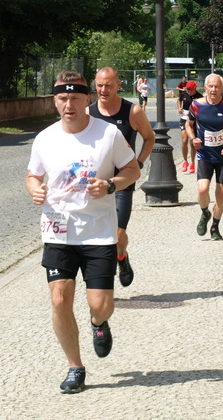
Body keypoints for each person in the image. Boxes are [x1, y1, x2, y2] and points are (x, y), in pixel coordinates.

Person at [26, 71, 140, 394]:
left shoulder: (108, 134)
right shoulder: (45, 139)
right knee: (60, 298)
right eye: (62, 98)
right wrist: (35, 189)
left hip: (98, 232)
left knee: (101, 304)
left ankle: (99, 323)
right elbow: (32, 176)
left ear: (87, 99)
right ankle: (75, 367)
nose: (69, 104)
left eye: (75, 98)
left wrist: (109, 186)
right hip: (58, 231)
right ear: (54, 102)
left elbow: (132, 170)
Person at [88, 67, 155, 288]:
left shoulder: (132, 112)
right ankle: (101, 281)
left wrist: (138, 163)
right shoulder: (88, 114)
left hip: (122, 183)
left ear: (119, 85)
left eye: (108, 85)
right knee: (96, 234)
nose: (103, 90)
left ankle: (121, 257)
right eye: (99, 85)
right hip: (93, 184)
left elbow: (149, 138)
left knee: (117, 233)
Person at [185, 73, 223, 240]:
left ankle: (215, 227)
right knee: (202, 190)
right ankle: (205, 213)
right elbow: (188, 124)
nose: (213, 90)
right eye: (210, 86)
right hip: (204, 154)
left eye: (217, 86)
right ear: (205, 87)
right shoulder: (197, 105)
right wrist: (192, 138)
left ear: (222, 88)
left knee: (220, 194)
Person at [177, 80, 203, 174]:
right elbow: (178, 100)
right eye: (187, 90)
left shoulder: (200, 97)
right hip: (184, 118)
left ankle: (192, 162)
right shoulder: (184, 94)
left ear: (195, 88)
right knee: (184, 140)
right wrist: (179, 107)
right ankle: (185, 161)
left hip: (194, 121)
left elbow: (203, 108)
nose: (188, 92)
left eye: (190, 90)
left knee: (192, 143)